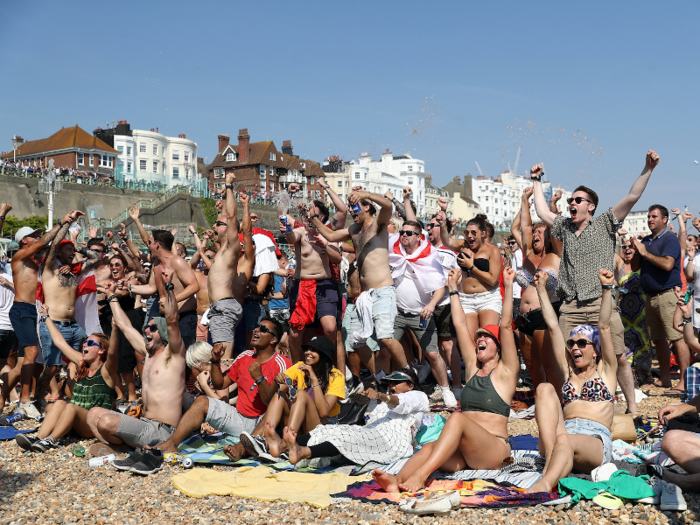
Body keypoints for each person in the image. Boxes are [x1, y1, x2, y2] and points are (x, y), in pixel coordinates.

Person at [531, 153, 658, 417]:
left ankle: (632, 407)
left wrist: (647, 168)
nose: (571, 204)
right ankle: (571, 406)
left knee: (618, 356)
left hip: (601, 304)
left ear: (591, 206)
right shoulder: (564, 226)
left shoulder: (605, 223)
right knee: (566, 358)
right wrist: (536, 180)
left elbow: (632, 197)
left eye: (577, 200)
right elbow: (542, 211)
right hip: (571, 306)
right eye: (570, 200)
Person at [372, 267, 520, 492]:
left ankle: (421, 477)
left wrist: (508, 286)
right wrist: (453, 289)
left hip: (494, 449)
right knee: (431, 447)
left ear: (499, 347)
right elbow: (460, 324)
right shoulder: (472, 368)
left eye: (486, 337)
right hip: (466, 451)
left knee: (457, 419)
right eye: (478, 336)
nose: (480, 338)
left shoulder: (505, 372)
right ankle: (397, 479)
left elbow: (507, 326)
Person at [527, 269, 618, 493]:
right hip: (560, 434)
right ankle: (551, 461)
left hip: (593, 439)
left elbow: (604, 326)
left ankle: (545, 483)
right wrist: (541, 289)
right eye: (572, 343)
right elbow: (553, 327)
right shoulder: (569, 371)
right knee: (545, 387)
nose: (575, 347)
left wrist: (606, 290)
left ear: (595, 350)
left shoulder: (606, 371)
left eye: (582, 343)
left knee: (565, 441)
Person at [86, 268, 186, 471]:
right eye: (146, 327)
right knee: (92, 414)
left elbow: (173, 320)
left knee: (105, 421)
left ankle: (131, 448)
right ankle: (125, 448)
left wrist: (169, 287)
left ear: (164, 334)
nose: (146, 330)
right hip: (144, 422)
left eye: (152, 327)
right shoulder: (149, 354)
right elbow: (124, 325)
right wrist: (112, 295)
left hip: (163, 430)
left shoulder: (173, 356)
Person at [153, 317, 291, 457]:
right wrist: (215, 361)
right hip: (239, 418)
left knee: (277, 402)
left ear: (273, 340)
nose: (256, 330)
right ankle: (172, 443)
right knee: (201, 401)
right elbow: (220, 384)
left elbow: (274, 403)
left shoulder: (282, 363)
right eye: (256, 327)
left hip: (263, 423)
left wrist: (259, 378)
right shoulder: (245, 356)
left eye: (263, 329)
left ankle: (241, 448)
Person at [310, 189, 409, 369]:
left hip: (382, 291)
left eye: (355, 206)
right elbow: (331, 235)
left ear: (367, 207)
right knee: (356, 342)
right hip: (363, 297)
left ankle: (409, 374)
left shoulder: (378, 224)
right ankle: (378, 377)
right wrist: (312, 218)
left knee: (385, 338)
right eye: (350, 206)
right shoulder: (354, 230)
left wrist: (367, 194)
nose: (352, 210)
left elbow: (387, 205)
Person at [7, 209, 82, 418]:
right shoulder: (20, 256)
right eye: (33, 235)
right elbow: (45, 243)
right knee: (30, 354)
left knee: (31, 358)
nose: (38, 237)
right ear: (24, 241)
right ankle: (24, 401)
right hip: (22, 309)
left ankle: (8, 395)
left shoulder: (36, 260)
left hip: (33, 310)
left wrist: (68, 225)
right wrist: (61, 220)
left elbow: (54, 245)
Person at [16, 305, 117, 452]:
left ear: (101, 351)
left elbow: (113, 352)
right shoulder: (82, 364)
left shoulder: (107, 371)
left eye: (89, 343)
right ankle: (38, 438)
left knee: (69, 406)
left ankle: (51, 440)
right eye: (84, 342)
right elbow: (60, 342)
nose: (84, 345)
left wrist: (114, 329)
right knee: (59, 404)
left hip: (92, 424)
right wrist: (46, 317)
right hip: (74, 422)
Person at [282, 368, 429, 468]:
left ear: (410, 385)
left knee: (345, 438)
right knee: (327, 430)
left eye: (396, 382)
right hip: (372, 433)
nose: (392, 385)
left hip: (392, 441)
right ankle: (281, 446)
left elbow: (401, 403)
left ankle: (302, 452)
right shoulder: (384, 403)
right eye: (390, 382)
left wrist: (380, 395)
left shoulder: (418, 396)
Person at [388, 215, 456, 407]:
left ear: (419, 236)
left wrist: (431, 305)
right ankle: (394, 387)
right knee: (387, 349)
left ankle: (446, 390)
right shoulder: (394, 253)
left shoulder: (429, 256)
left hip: (422, 313)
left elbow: (440, 287)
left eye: (409, 233)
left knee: (433, 354)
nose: (404, 236)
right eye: (402, 232)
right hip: (398, 313)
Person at [241, 336, 345, 459]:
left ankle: (286, 444)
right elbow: (271, 398)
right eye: (307, 349)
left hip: (322, 429)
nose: (308, 353)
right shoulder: (300, 367)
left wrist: (314, 379)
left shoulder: (336, 376)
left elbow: (323, 412)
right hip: (300, 427)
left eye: (313, 350)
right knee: (281, 394)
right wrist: (277, 380)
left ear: (324, 355)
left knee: (301, 394)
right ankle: (266, 442)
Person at [631, 205, 692, 394]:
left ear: (665, 219)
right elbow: (634, 268)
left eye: (654, 216)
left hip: (667, 296)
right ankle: (665, 379)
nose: (650, 219)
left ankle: (683, 381)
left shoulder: (670, 239)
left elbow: (667, 264)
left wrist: (644, 253)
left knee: (677, 338)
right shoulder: (647, 241)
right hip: (650, 297)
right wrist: (636, 250)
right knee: (658, 340)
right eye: (649, 216)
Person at [278, 188, 341, 363]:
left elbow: (337, 259)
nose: (306, 215)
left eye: (311, 212)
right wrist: (286, 196)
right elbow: (288, 231)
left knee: (330, 328)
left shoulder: (328, 234)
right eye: (306, 212)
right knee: (295, 334)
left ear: (321, 218)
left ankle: (329, 366)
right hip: (302, 286)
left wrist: (324, 246)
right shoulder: (301, 231)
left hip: (324, 285)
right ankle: (297, 369)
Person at [511, 187, 563, 392]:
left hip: (545, 314)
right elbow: (525, 226)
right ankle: (540, 400)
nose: (535, 234)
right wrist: (525, 199)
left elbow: (556, 225)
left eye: (541, 232)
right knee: (533, 367)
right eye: (535, 232)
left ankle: (560, 402)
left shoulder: (557, 255)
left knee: (550, 365)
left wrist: (552, 205)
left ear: (551, 237)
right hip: (524, 318)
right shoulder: (529, 254)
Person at [128, 206, 200, 349]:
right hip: (164, 318)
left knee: (183, 358)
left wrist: (172, 300)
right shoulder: (156, 264)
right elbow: (151, 288)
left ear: (158, 245)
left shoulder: (177, 261)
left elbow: (194, 286)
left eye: (151, 242)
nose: (148, 245)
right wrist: (129, 287)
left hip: (184, 317)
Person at [437, 209, 502, 336]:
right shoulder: (463, 245)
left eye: (474, 232)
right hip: (466, 299)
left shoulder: (492, 250)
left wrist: (471, 267)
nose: (469, 236)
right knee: (470, 341)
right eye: (467, 232)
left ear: (483, 234)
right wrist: (443, 224)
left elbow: (493, 280)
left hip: (488, 298)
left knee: (487, 338)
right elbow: (447, 241)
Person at [97, 253, 143, 403]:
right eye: (111, 265)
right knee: (111, 358)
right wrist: (105, 288)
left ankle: (132, 394)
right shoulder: (106, 281)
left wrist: (108, 290)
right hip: (108, 322)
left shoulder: (131, 280)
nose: (114, 267)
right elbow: (93, 284)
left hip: (126, 321)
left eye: (117, 264)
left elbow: (123, 292)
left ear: (124, 267)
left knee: (125, 359)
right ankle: (119, 394)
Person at [614, 230, 651, 392]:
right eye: (624, 247)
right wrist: (616, 233)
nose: (627, 249)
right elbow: (609, 249)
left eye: (631, 246)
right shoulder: (621, 265)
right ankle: (627, 378)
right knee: (624, 346)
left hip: (641, 311)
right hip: (623, 313)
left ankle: (646, 375)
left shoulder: (644, 264)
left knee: (643, 344)